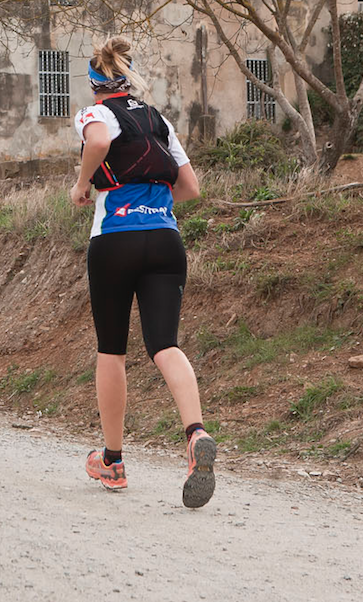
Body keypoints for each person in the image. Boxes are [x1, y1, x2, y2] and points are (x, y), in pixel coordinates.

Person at [69, 35, 216, 509]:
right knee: (165, 345)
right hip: (166, 241)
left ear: (95, 83)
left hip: (115, 239)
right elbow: (190, 188)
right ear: (127, 78)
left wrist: (82, 183)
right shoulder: (158, 120)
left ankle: (112, 461)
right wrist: (152, 204)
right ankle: (196, 434)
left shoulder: (96, 113)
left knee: (112, 350)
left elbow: (98, 141)